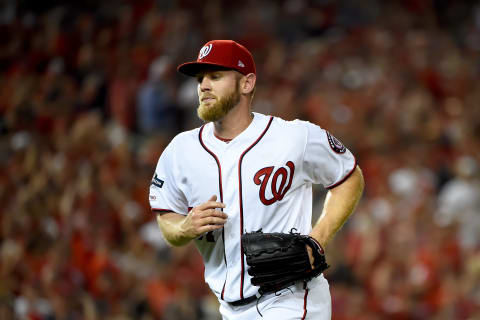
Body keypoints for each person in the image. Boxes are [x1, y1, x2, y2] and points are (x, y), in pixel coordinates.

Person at [149, 40, 365, 320]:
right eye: (200, 79)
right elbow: (167, 219)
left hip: (292, 298)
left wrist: (318, 239)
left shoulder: (293, 137)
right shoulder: (180, 151)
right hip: (229, 309)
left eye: (216, 76)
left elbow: (349, 176)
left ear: (246, 84)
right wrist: (185, 227)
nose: (203, 86)